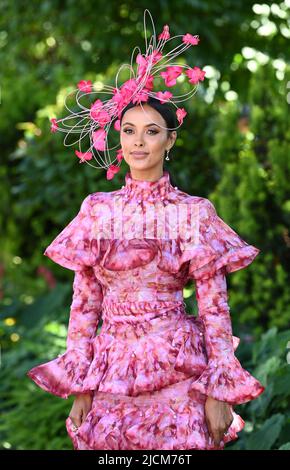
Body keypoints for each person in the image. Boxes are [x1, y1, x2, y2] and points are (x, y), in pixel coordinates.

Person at [27, 11, 265, 450]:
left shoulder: (194, 212)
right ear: (118, 138)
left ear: (169, 141)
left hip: (178, 369)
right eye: (129, 131)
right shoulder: (97, 210)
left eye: (151, 132)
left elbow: (215, 310)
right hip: (111, 373)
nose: (138, 142)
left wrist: (218, 392)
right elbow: (84, 306)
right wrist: (81, 387)